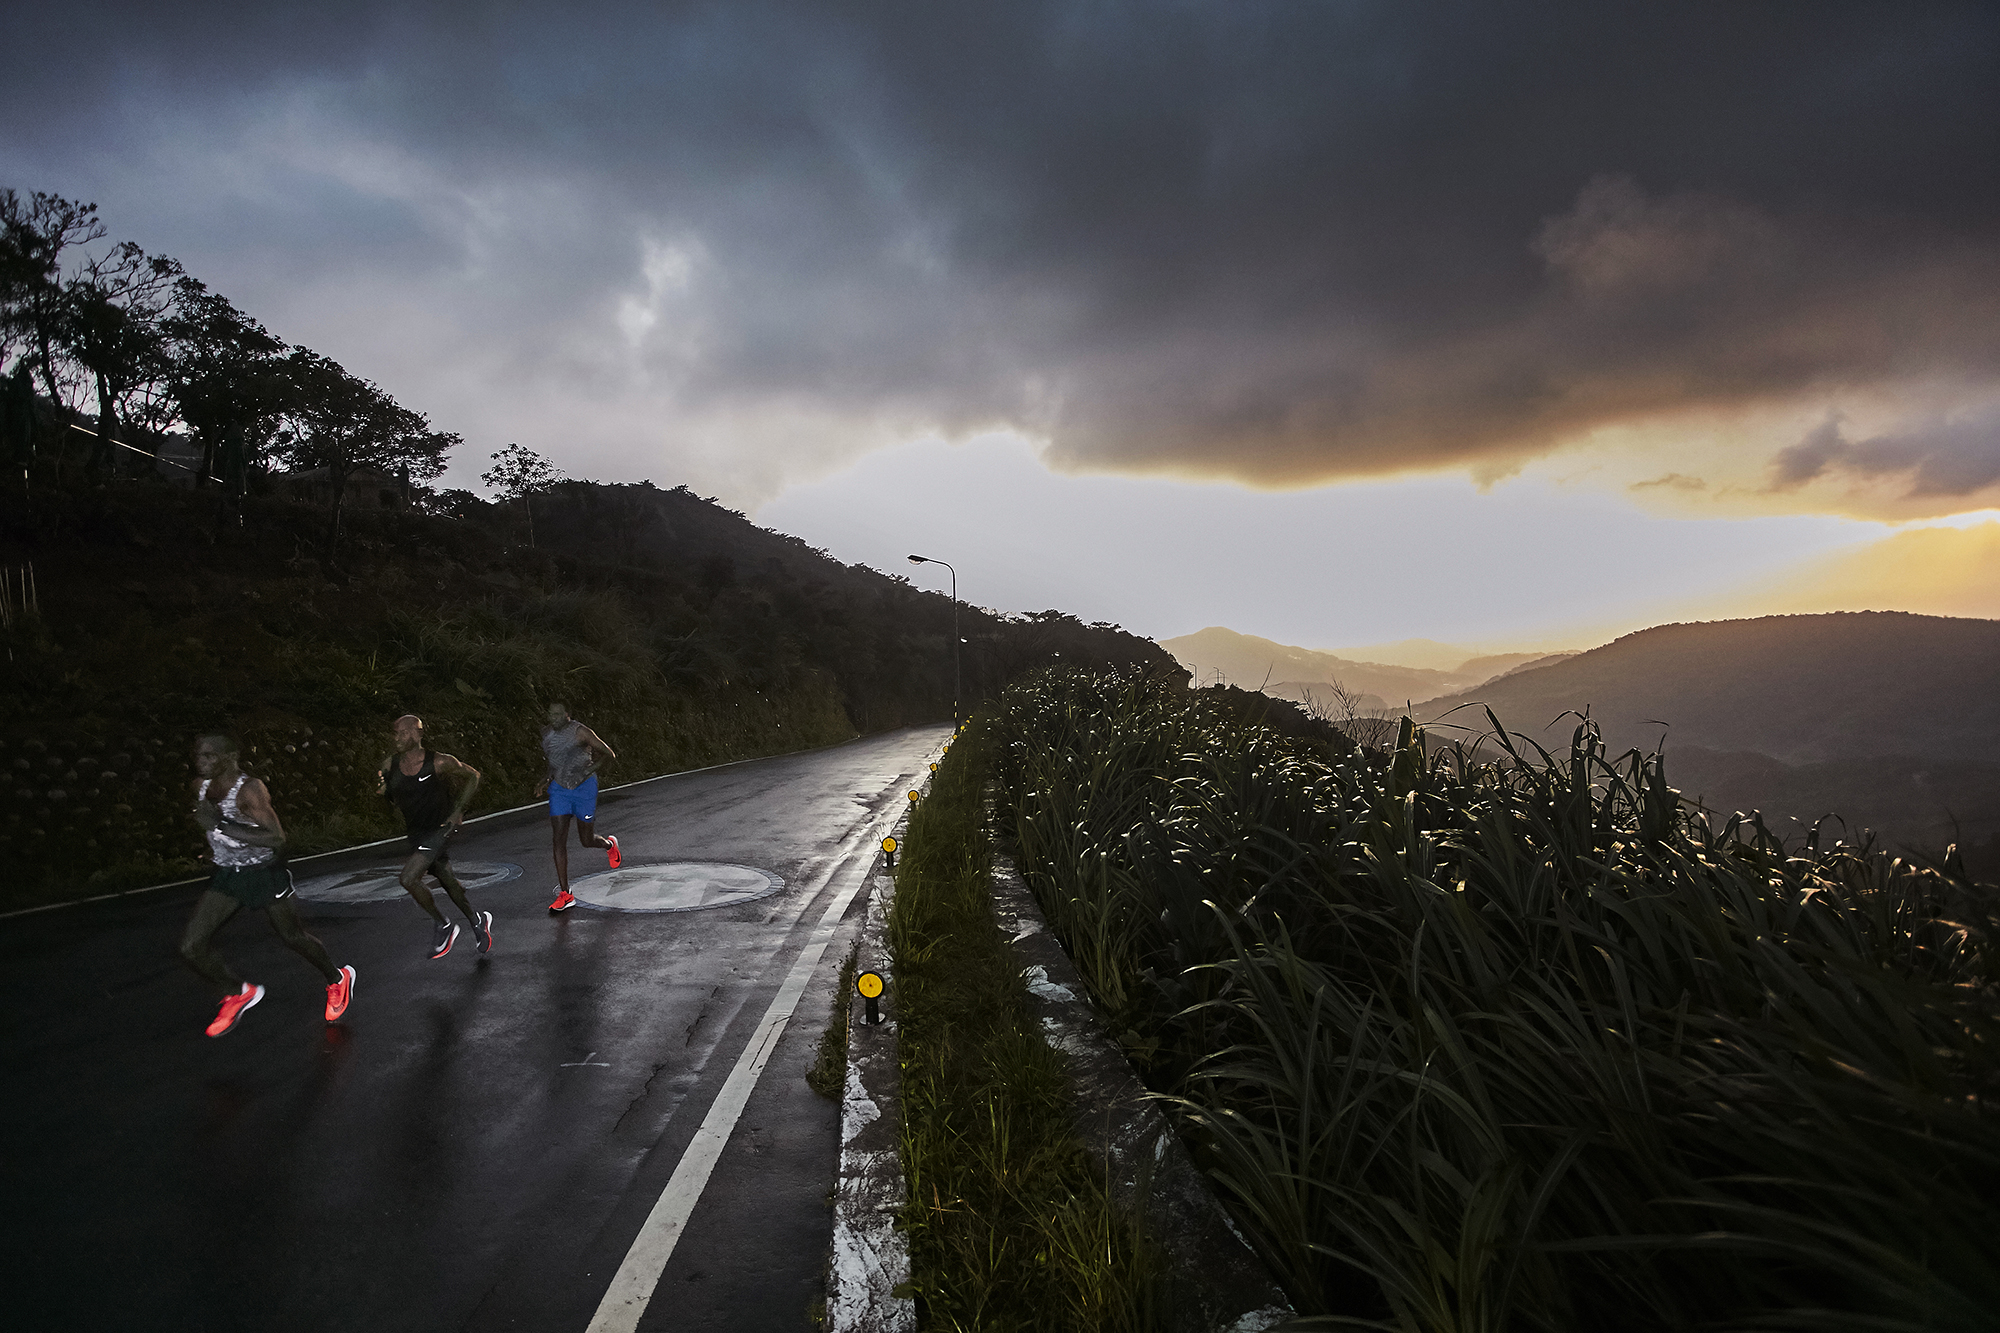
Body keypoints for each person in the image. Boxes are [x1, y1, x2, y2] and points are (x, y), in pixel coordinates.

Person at [180, 733, 355, 1037]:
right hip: (227, 874)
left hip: (264, 871)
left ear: (230, 757)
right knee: (191, 946)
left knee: (292, 936)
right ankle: (237, 992)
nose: (202, 762)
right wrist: (214, 846)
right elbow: (207, 824)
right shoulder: (200, 787)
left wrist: (221, 826)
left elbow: (276, 839)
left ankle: (337, 978)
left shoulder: (249, 790)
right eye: (199, 755)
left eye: (210, 756)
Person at [377, 714, 492, 958]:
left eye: (403, 732)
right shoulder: (390, 765)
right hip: (417, 833)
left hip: (440, 829)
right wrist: (383, 791)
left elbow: (474, 776)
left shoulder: (439, 762)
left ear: (417, 735)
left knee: (408, 878)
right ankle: (477, 920)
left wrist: (459, 810)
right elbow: (389, 797)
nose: (397, 737)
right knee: (448, 881)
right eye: (395, 732)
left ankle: (444, 925)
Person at [537, 701, 621, 913]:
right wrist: (545, 779)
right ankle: (565, 894)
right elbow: (554, 760)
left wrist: (587, 771)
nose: (554, 718)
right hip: (559, 790)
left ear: (567, 715)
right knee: (558, 839)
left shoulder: (581, 732)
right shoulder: (546, 735)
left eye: (558, 714)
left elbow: (609, 754)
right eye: (550, 714)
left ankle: (609, 846)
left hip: (584, 788)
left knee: (586, 840)